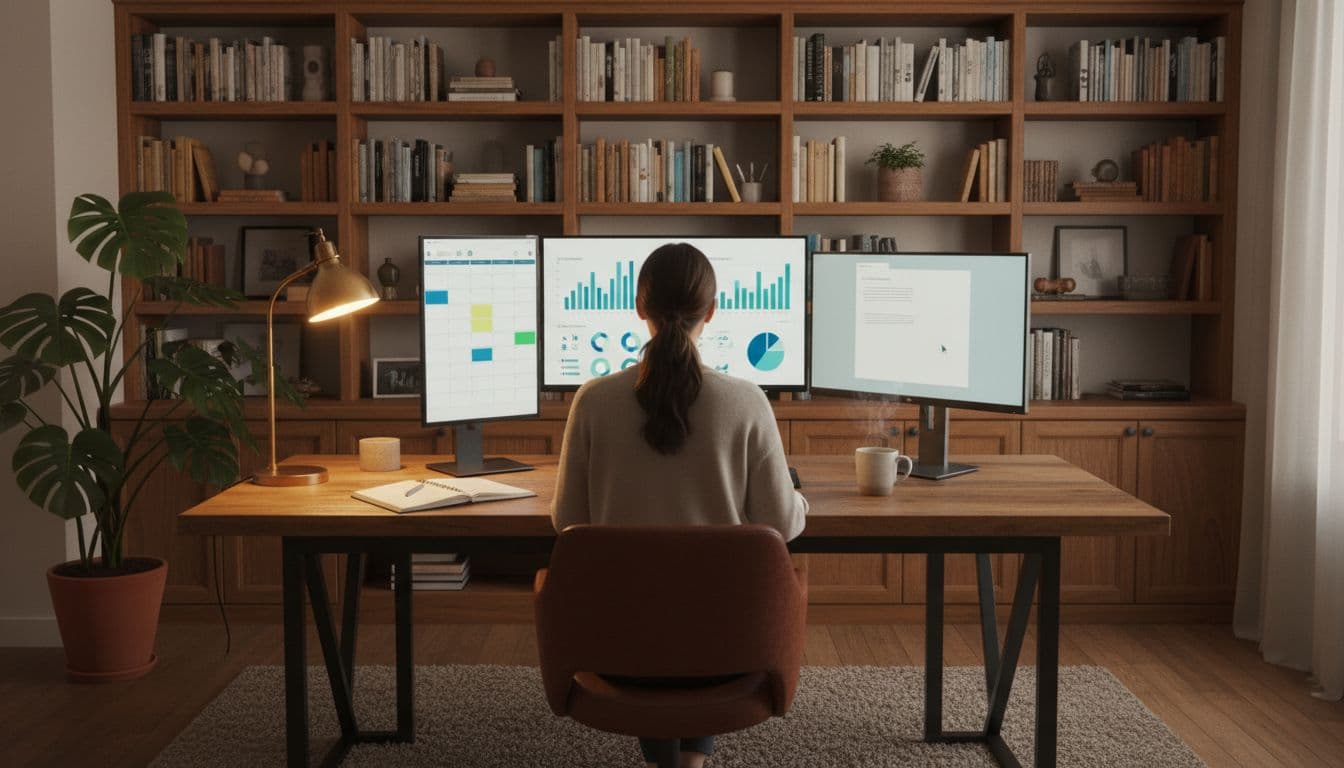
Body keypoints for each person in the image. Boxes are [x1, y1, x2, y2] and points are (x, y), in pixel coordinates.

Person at [552, 242, 808, 768]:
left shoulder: (592, 401)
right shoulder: (747, 401)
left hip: (619, 646)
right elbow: (782, 524)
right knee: (702, 606)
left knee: (658, 613)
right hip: (727, 649)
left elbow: (567, 523)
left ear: (639, 308)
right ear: (711, 312)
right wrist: (797, 497)